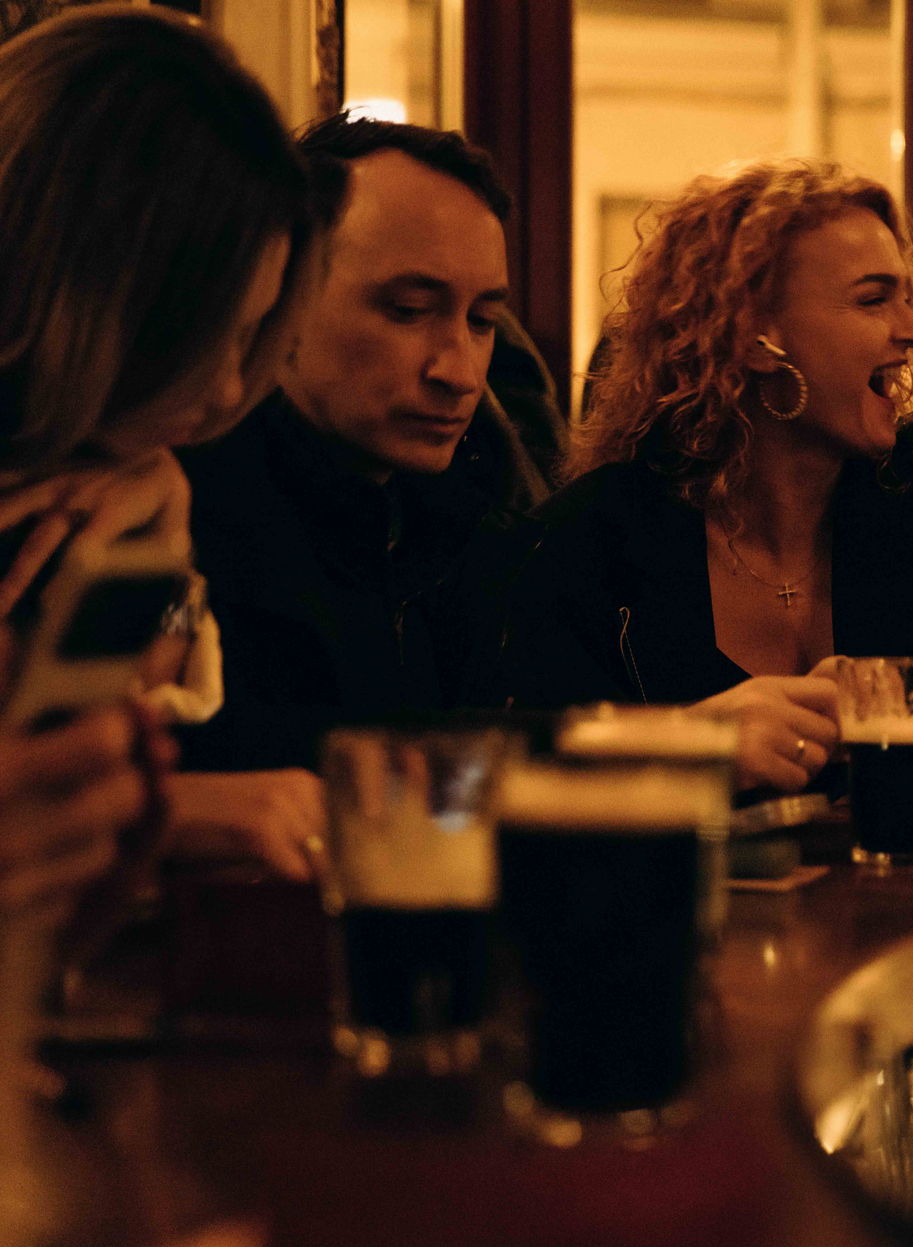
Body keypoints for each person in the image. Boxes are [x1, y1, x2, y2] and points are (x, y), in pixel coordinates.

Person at [495, 160, 913, 790]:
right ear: (753, 336)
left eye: (908, 297)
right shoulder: (593, 543)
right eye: (873, 299)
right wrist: (686, 747)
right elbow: (525, 794)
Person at [0, 7, 324, 896]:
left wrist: (162, 548)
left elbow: (115, 723)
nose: (228, 389)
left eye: (252, 336)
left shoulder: (120, 480)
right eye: (210, 334)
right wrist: (172, 811)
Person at [177, 114, 552, 777]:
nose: (461, 372)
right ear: (280, 291)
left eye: (483, 320)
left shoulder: (483, 517)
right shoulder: (179, 511)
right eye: (408, 310)